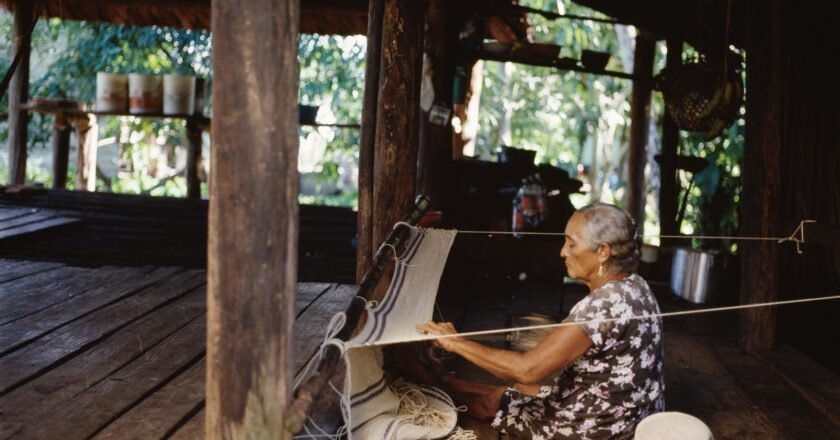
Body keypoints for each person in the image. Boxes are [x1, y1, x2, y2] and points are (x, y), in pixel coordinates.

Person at [417, 202, 665, 439]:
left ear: (602, 252)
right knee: (519, 391)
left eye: (571, 244)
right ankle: (446, 380)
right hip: (631, 414)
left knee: (493, 402)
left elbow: (528, 369)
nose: (562, 252)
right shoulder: (635, 284)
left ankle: (424, 383)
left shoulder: (603, 305)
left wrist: (455, 342)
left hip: (600, 429)